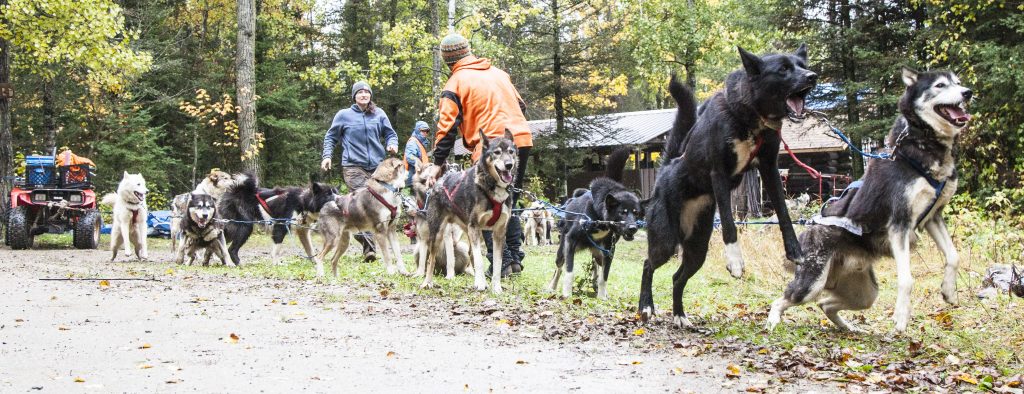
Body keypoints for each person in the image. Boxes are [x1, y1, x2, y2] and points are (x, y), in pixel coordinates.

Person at [432, 33, 533, 277]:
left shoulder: (455, 83)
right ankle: (513, 259)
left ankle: (503, 261)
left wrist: (437, 163)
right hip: (519, 140)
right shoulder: (499, 73)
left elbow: (446, 129)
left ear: (447, 60)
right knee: (507, 200)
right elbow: (521, 107)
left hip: (489, 148)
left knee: (485, 206)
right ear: (468, 51)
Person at [321, 81, 399, 261]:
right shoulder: (344, 115)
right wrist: (327, 156)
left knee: (378, 204)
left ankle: (370, 245)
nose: (364, 95)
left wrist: (392, 143)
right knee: (362, 204)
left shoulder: (379, 114)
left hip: (377, 168)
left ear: (370, 95)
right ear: (354, 96)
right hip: (353, 166)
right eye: (360, 92)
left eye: (366, 92)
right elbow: (330, 137)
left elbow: (390, 133)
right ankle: (369, 249)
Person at [404, 120, 431, 186]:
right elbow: (410, 156)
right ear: (417, 130)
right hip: (412, 179)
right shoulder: (413, 142)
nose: (425, 133)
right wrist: (419, 164)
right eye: (423, 131)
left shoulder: (420, 142)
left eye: (427, 131)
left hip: (419, 177)